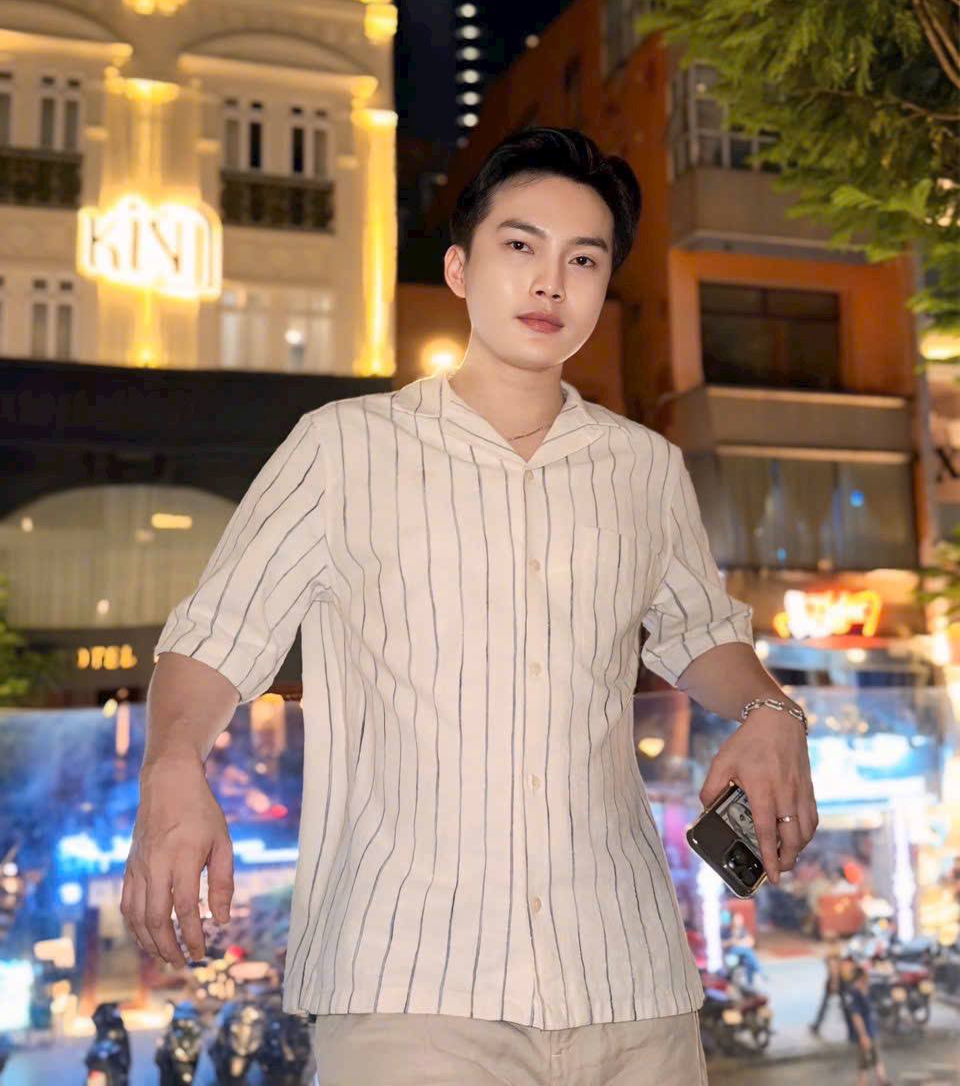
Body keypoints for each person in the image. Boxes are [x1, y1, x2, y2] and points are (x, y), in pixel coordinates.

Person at [121, 128, 819, 1085]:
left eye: (584, 260)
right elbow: (217, 637)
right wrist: (171, 766)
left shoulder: (644, 468)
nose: (550, 282)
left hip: (629, 981)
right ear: (458, 268)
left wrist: (774, 711)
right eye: (520, 245)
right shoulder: (341, 447)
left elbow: (702, 634)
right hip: (410, 983)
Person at [841, 966, 891, 1086]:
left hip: (870, 1031)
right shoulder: (855, 994)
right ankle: (871, 1082)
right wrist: (863, 1035)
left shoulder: (865, 991)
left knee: (875, 1057)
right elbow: (856, 1016)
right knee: (864, 1062)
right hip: (864, 1033)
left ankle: (882, 1080)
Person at [809, 931, 844, 1035]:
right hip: (838, 980)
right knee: (844, 1005)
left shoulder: (831, 953)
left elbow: (834, 970)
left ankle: (817, 1025)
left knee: (825, 1004)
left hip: (835, 980)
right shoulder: (837, 950)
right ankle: (816, 1025)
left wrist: (834, 983)